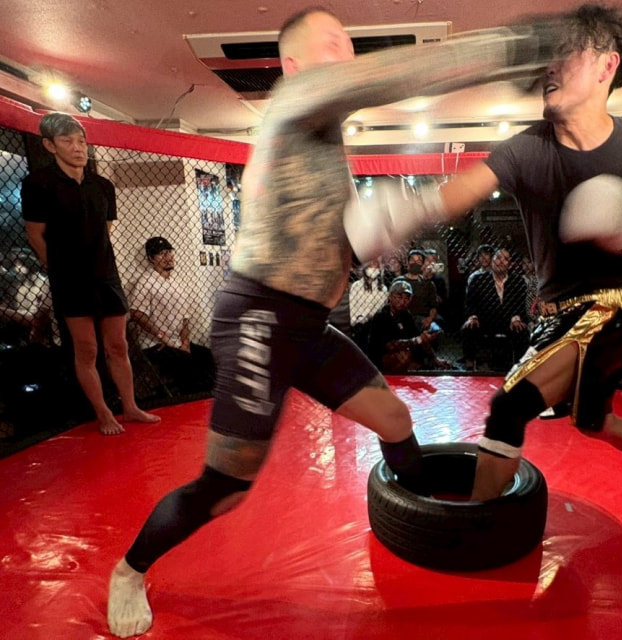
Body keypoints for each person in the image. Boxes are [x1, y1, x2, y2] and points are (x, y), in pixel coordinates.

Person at [107, 8, 565, 637]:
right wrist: (512, 46)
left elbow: (342, 243)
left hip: (309, 326)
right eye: (333, 44)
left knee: (395, 419)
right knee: (227, 486)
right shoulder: (296, 99)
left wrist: (385, 228)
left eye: (349, 45)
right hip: (260, 321)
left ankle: (427, 518)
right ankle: (129, 569)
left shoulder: (323, 147)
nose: (347, 56)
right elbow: (392, 75)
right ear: (294, 64)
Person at [422, 4, 622, 504]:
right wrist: (392, 215)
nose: (549, 68)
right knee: (595, 423)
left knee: (509, 407)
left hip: (605, 311)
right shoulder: (526, 149)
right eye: (548, 59)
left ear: (607, 65)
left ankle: (473, 526)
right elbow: (457, 194)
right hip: (552, 314)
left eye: (566, 55)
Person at [21, 112, 159, 436]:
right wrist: (58, 270)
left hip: (106, 276)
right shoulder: (39, 184)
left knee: (118, 345)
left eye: (81, 141)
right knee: (87, 350)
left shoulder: (102, 186)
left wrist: (98, 264)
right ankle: (103, 413)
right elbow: (34, 234)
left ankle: (130, 406)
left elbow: (105, 231)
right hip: (70, 280)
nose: (77, 147)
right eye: (67, 141)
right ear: (50, 146)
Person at [129, 237, 215, 394]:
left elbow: (184, 318)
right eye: (161, 254)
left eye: (169, 252)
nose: (167, 257)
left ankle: (206, 397)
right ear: (151, 259)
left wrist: (185, 342)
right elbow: (136, 313)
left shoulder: (177, 283)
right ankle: (190, 398)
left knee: (207, 356)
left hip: (177, 342)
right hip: (156, 344)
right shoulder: (145, 282)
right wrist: (162, 337)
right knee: (187, 364)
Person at [461, 248, 529, 370]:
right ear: (492, 261)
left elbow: (520, 304)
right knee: (468, 328)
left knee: (522, 331)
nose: (501, 261)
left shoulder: (518, 281)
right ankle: (470, 364)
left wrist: (516, 318)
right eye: (498, 258)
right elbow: (470, 303)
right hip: (485, 321)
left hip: (508, 321)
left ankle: (521, 366)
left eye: (506, 259)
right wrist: (473, 317)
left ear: (510, 264)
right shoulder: (478, 280)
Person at [368, 278, 449, 372]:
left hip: (399, 353)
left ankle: (419, 366)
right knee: (404, 355)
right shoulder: (382, 316)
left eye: (407, 298)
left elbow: (418, 336)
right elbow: (390, 345)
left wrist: (435, 358)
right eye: (399, 297)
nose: (403, 301)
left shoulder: (405, 314)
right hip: (379, 359)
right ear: (390, 297)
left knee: (418, 348)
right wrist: (417, 340)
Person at [349, 259, 388, 349]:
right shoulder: (356, 285)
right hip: (357, 325)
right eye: (370, 265)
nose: (373, 267)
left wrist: (368, 318)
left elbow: (379, 309)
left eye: (376, 265)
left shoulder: (383, 289)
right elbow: (352, 307)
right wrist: (356, 321)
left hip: (374, 326)